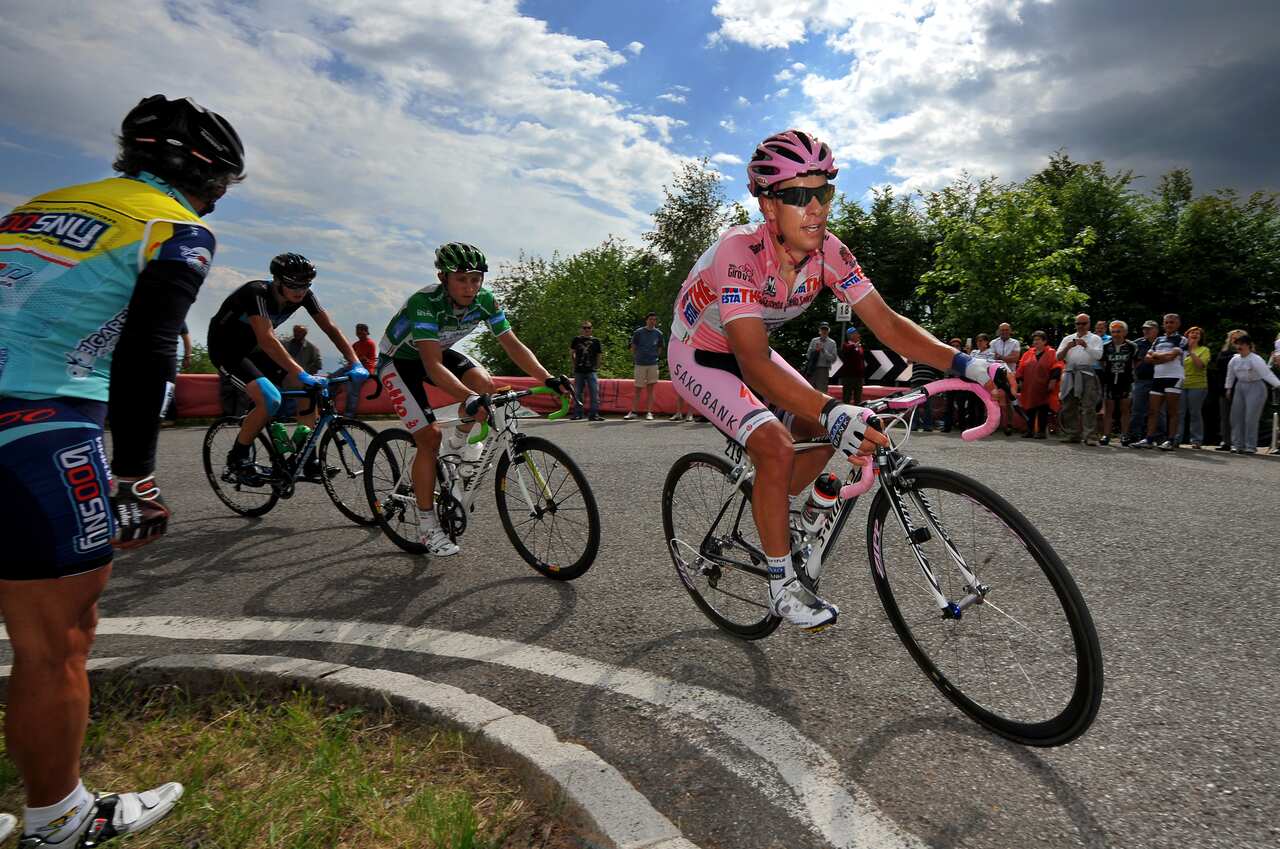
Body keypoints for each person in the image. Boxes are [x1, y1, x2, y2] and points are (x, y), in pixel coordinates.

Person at [0, 94, 244, 848]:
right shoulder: (175, 225)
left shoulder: (35, 208)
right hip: (38, 417)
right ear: (208, 181)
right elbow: (150, 350)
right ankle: (62, 819)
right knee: (55, 639)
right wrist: (134, 476)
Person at [668, 129, 1007, 631]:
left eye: (823, 192)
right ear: (766, 204)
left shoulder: (830, 252)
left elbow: (888, 325)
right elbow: (754, 362)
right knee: (778, 445)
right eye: (798, 196)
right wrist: (829, 411)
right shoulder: (737, 253)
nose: (815, 208)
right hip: (700, 357)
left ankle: (779, 504)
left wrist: (966, 364)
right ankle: (782, 585)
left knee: (829, 431)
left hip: (753, 351)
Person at [376, 242, 569, 554]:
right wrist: (467, 398)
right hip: (400, 363)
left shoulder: (485, 301)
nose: (470, 287)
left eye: (476, 279)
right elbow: (431, 365)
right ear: (443, 278)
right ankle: (427, 527)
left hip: (437, 353)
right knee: (428, 437)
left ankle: (458, 443)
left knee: (486, 386)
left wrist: (546, 378)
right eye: (461, 279)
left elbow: (512, 344)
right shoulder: (424, 303)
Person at [207, 253, 366, 481]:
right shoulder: (256, 292)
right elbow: (267, 339)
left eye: (305, 285)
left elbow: (330, 328)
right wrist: (300, 371)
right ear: (277, 280)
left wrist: (355, 362)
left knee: (310, 391)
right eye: (293, 284)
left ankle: (306, 458)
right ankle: (237, 459)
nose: (299, 291)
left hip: (256, 351)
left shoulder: (304, 295)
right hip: (227, 351)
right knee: (271, 399)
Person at [1132, 313, 1188, 451]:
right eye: (1167, 322)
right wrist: (1162, 357)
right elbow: (1147, 358)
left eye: (1172, 322)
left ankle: (1170, 440)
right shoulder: (1158, 340)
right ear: (1163, 324)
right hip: (1158, 377)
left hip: (1174, 377)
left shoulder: (1182, 339)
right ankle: (1149, 439)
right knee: (1152, 410)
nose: (1169, 325)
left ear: (1178, 324)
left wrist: (1156, 356)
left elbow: (1172, 356)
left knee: (1172, 411)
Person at [1224, 334, 1280, 454]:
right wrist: (1228, 388)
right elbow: (1230, 375)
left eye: (1242, 344)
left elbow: (1267, 374)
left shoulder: (1255, 359)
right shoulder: (1234, 359)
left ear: (1248, 345)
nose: (1239, 346)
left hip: (1256, 387)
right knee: (1236, 416)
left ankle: (1250, 445)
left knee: (1250, 418)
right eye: (1237, 344)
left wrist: (1278, 385)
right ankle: (1237, 444)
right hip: (1240, 386)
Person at [1055, 315, 1103, 444]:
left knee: (1088, 405)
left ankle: (1090, 436)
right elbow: (1058, 357)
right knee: (1068, 404)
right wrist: (1068, 347)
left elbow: (1098, 356)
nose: (1081, 326)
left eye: (1083, 323)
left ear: (1089, 324)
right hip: (1070, 371)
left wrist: (1086, 346)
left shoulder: (1095, 338)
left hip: (1087, 371)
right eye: (1078, 323)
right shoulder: (1068, 338)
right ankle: (1073, 433)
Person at [1099, 321, 1136, 446]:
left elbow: (1137, 362)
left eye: (1118, 331)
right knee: (1109, 409)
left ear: (1124, 332)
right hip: (1109, 381)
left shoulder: (1132, 346)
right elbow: (1102, 363)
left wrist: (1129, 373)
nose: (1116, 334)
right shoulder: (1105, 346)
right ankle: (1106, 435)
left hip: (1125, 381)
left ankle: (1124, 435)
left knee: (1125, 409)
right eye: (1113, 332)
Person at [1125, 320, 1161, 446]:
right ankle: (1135, 436)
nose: (1146, 331)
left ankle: (1158, 437)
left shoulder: (1162, 342)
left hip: (1159, 380)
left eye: (1149, 329)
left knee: (1157, 411)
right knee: (1137, 409)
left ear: (1156, 330)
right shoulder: (1137, 344)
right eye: (1144, 329)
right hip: (1141, 380)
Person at [1016, 331, 1058, 438]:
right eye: (1034, 340)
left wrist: (1052, 381)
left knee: (1043, 408)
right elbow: (1021, 368)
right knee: (1029, 409)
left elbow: (1057, 367)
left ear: (1044, 341)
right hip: (1029, 386)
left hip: (1044, 385)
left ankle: (1041, 431)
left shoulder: (1052, 352)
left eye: (1038, 339)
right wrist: (1020, 381)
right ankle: (1029, 430)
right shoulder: (1028, 353)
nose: (1036, 342)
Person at [330, 323, 377, 417]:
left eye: (361, 330)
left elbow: (361, 359)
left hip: (364, 369)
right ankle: (330, 403)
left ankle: (349, 414)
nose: (359, 332)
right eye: (357, 330)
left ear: (366, 332)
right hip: (354, 367)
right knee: (332, 378)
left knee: (352, 389)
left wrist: (353, 360)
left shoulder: (369, 343)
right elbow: (351, 357)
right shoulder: (356, 344)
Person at [1175, 326, 1210, 448]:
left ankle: (1196, 440)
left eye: (1197, 333)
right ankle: (1176, 438)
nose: (1194, 334)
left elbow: (1200, 365)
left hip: (1198, 385)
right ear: (1187, 335)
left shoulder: (1204, 350)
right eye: (1192, 333)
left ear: (1200, 337)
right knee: (1179, 413)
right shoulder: (1180, 350)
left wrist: (1191, 351)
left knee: (1195, 413)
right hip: (1181, 384)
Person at [1211, 329, 1245, 451]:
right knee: (1225, 416)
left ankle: (1239, 442)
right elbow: (1220, 364)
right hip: (1224, 388)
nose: (1235, 341)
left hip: (1241, 388)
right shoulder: (1224, 352)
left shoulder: (1248, 353)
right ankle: (1226, 441)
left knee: (1239, 417)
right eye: (1233, 338)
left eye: (1239, 338)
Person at [624, 312, 662, 420]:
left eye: (654, 319)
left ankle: (649, 412)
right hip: (640, 363)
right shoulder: (639, 332)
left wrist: (655, 357)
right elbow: (633, 347)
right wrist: (637, 357)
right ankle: (633, 411)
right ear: (646, 320)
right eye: (650, 319)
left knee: (651, 389)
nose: (652, 321)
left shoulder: (658, 333)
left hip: (653, 364)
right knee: (638, 388)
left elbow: (660, 347)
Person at [159, 321, 193, 426]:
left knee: (168, 387)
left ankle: (169, 417)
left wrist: (187, 357)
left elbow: (186, 338)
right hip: (161, 357)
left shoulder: (178, 317)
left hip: (168, 357)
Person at [569, 320, 603, 421]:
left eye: (588, 328)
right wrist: (573, 363)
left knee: (594, 392)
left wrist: (597, 366)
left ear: (591, 329)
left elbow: (599, 355)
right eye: (584, 328)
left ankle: (594, 414)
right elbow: (572, 352)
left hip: (591, 369)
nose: (586, 330)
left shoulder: (596, 341)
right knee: (578, 392)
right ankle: (578, 413)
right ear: (581, 329)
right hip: (579, 369)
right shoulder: (576, 339)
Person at [990, 323, 1021, 434]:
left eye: (1007, 330)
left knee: (1009, 400)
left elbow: (1015, 358)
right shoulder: (993, 342)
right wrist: (1006, 358)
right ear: (999, 331)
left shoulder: (1015, 342)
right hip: (996, 375)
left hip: (1010, 375)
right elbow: (991, 358)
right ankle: (995, 424)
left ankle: (1009, 424)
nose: (1004, 332)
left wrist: (1001, 358)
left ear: (1010, 331)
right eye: (1002, 330)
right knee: (994, 399)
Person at [804, 323, 838, 391]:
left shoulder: (832, 343)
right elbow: (808, 355)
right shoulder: (814, 341)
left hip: (823, 369)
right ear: (819, 330)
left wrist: (823, 351)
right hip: (812, 369)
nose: (824, 331)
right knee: (810, 389)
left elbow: (833, 359)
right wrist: (815, 351)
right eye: (822, 329)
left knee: (822, 390)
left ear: (829, 331)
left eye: (826, 329)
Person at [837, 327, 865, 405]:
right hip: (848, 377)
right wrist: (854, 346)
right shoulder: (846, 345)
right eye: (856, 333)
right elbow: (846, 351)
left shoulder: (860, 347)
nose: (859, 335)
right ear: (851, 335)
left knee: (858, 398)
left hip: (859, 377)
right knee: (846, 397)